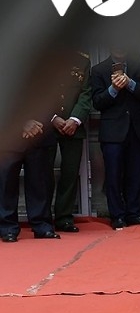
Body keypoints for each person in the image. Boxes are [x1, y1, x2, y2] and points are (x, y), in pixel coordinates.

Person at [90, 47, 140, 230]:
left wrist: (130, 84)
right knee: (113, 175)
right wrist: (114, 89)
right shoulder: (99, 69)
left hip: (137, 129)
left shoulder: (139, 67)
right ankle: (117, 215)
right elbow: (97, 102)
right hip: (112, 131)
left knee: (136, 174)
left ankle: (134, 213)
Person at [0, 107, 60, 242]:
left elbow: (50, 97)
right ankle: (7, 228)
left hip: (40, 132)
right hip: (9, 135)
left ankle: (42, 225)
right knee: (6, 184)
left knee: (40, 183)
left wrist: (36, 122)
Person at [51, 51, 93, 233]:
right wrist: (52, 117)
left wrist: (75, 119)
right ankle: (42, 216)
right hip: (45, 125)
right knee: (42, 174)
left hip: (73, 125)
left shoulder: (82, 60)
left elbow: (86, 93)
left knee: (70, 172)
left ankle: (64, 217)